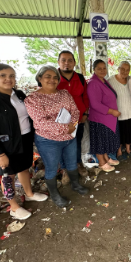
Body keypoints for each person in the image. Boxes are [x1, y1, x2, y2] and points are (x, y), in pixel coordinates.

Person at [0, 64, 48, 220]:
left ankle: (29, 194)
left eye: (12, 76)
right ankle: (14, 207)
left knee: (24, 168)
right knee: (8, 175)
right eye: (3, 75)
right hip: (5, 144)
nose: (8, 79)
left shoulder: (19, 95)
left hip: (24, 138)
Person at [24, 65, 87, 208]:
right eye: (48, 76)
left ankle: (75, 185)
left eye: (55, 77)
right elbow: (41, 122)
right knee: (52, 168)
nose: (52, 80)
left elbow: (75, 111)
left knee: (71, 163)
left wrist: (72, 124)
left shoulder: (64, 93)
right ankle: (55, 195)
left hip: (69, 137)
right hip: (48, 141)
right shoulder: (33, 99)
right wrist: (66, 127)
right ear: (40, 78)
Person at [87, 60, 121, 172]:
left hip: (107, 118)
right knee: (100, 142)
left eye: (104, 68)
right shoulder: (93, 83)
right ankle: (102, 163)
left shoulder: (103, 81)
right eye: (99, 68)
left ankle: (106, 159)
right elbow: (95, 104)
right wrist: (111, 111)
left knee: (105, 140)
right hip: (99, 118)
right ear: (94, 70)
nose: (102, 70)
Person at [56, 50, 89, 167]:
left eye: (70, 60)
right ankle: (65, 169)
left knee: (77, 142)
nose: (67, 63)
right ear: (58, 62)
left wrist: (85, 114)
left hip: (78, 119)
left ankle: (78, 164)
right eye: (63, 60)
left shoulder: (79, 78)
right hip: (60, 121)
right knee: (62, 144)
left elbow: (85, 96)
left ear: (74, 62)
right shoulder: (54, 78)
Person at [108, 61, 131, 160]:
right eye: (122, 69)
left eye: (127, 69)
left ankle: (128, 149)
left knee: (129, 131)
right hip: (118, 112)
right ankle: (119, 151)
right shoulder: (110, 80)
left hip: (130, 111)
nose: (125, 71)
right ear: (118, 69)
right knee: (119, 133)